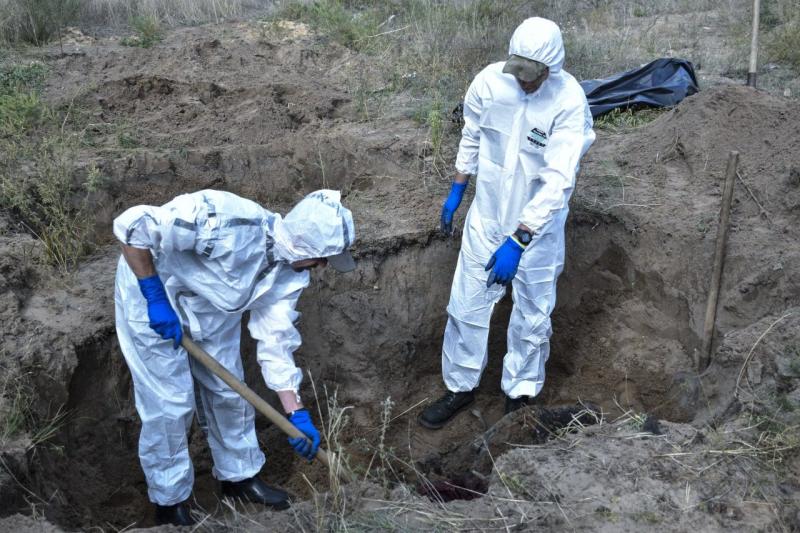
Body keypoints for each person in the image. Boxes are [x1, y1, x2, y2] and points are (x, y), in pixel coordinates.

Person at [114, 189, 356, 526]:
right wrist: (154, 296)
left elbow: (276, 341)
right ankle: (170, 504)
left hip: (213, 309)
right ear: (305, 245)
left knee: (230, 393)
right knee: (170, 405)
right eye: (323, 257)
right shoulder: (225, 220)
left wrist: (295, 412)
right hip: (153, 295)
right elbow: (132, 226)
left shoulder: (291, 274)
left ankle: (239, 479)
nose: (323, 266)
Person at [419, 17, 596, 430]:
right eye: (516, 70)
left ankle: (519, 395)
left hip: (537, 229)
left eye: (531, 75)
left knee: (532, 315)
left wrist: (520, 238)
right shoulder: (488, 83)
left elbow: (558, 181)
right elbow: (473, 134)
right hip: (487, 214)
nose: (522, 81)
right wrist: (458, 187)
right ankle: (460, 387)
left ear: (550, 69)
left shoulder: (568, 102)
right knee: (467, 306)